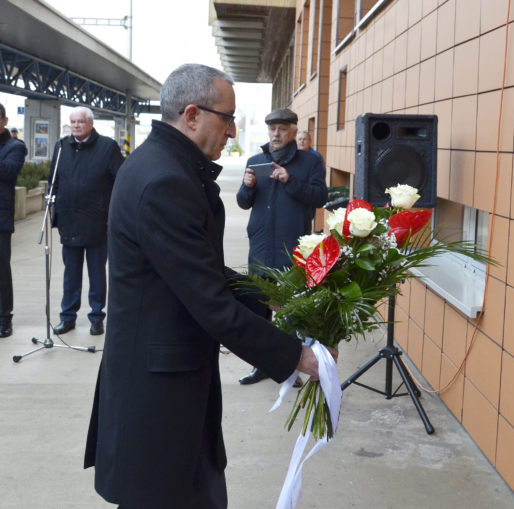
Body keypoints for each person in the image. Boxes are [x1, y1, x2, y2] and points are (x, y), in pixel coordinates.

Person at [83, 63, 328, 509]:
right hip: (157, 397)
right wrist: (296, 356)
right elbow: (209, 300)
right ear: (192, 115)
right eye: (228, 117)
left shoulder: (169, 167)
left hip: (172, 384)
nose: (233, 132)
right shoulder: (163, 181)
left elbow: (203, 271)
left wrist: (276, 297)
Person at [236, 109, 328, 386]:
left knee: (290, 311)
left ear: (292, 130)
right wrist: (247, 187)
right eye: (272, 129)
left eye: (282, 129)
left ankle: (289, 368)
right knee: (258, 311)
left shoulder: (309, 162)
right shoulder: (256, 160)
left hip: (292, 249)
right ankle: (261, 366)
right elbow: (243, 202)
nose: (276, 134)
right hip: (261, 248)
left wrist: (291, 181)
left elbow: (320, 197)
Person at [50, 106, 123, 336]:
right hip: (69, 219)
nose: (76, 125)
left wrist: (111, 212)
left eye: (80, 121)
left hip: (97, 221)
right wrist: (54, 209)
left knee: (96, 273)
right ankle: (68, 316)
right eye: (73, 122)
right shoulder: (61, 147)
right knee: (70, 274)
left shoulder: (107, 147)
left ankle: (96, 317)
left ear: (91, 123)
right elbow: (54, 180)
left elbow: (120, 181)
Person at [0, 104, 27, 337]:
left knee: (1, 269)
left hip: (0, 218)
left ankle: (4, 318)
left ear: (4, 121)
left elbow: (8, 172)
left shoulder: (15, 147)